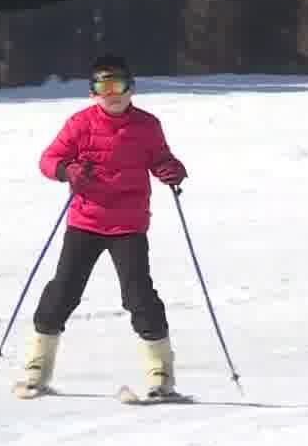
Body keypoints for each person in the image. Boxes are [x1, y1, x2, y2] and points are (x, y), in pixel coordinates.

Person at [14, 54, 189, 401]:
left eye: (119, 85)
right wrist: (68, 171)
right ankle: (36, 369)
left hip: (128, 224)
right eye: (103, 86)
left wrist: (172, 169)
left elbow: (161, 158)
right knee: (63, 291)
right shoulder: (79, 124)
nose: (113, 94)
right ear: (93, 92)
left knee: (139, 295)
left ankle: (161, 375)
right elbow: (49, 160)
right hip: (86, 221)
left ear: (131, 88)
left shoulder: (147, 125)